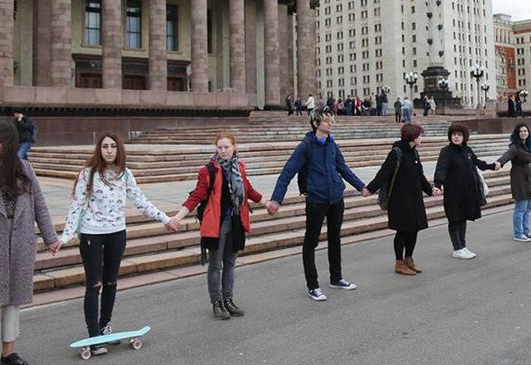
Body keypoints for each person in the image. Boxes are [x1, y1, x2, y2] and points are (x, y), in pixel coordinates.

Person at [59, 133, 175, 355]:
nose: (109, 150)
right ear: (99, 150)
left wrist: (165, 219)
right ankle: (94, 336)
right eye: (105, 146)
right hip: (92, 234)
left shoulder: (125, 174)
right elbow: (75, 206)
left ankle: (105, 326)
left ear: (118, 149)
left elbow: (141, 200)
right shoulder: (88, 174)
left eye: (113, 146)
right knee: (94, 284)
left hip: (117, 234)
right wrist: (65, 237)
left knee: (111, 282)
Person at [268, 108, 366, 301]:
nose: (331, 123)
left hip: (336, 198)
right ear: (315, 123)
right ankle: (313, 285)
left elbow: (343, 168)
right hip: (316, 200)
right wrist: (276, 199)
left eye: (331, 120)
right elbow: (287, 173)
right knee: (311, 242)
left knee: (335, 238)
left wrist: (361, 187)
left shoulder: (331, 143)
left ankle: (336, 278)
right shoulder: (305, 146)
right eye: (327, 120)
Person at [170, 132, 269, 320]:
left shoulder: (239, 167)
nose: (223, 151)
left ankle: (228, 300)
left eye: (226, 147)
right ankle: (216, 302)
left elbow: (247, 189)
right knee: (215, 265)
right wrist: (177, 217)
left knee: (230, 263)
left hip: (236, 221)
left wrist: (266, 202)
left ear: (234, 147)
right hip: (216, 223)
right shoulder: (208, 171)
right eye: (220, 147)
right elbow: (196, 196)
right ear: (216, 148)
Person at [0, 121, 59, 365]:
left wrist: (50, 237)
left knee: (12, 300)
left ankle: (8, 352)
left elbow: (40, 206)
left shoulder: (24, 168)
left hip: (20, 242)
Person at [365, 123, 441, 275]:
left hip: (414, 199)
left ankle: (409, 259)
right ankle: (399, 262)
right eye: (420, 135)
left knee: (414, 230)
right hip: (399, 200)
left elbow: (420, 176)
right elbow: (384, 172)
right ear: (413, 137)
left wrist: (430, 189)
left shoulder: (414, 153)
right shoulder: (396, 152)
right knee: (402, 231)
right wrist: (370, 188)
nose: (422, 138)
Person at [434, 123, 496, 259]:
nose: (456, 137)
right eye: (454, 134)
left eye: (459, 135)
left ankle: (462, 246)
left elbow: (478, 163)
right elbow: (441, 168)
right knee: (454, 219)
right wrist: (438, 184)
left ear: (464, 137)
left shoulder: (467, 150)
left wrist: (492, 166)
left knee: (463, 219)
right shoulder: (446, 151)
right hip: (453, 192)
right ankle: (457, 248)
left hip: (466, 192)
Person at [495, 123, 531, 242]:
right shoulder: (515, 147)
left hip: (529, 177)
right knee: (521, 207)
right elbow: (507, 155)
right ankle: (518, 233)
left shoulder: (528, 146)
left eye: (525, 131)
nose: (523, 133)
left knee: (529, 207)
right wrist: (500, 162)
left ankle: (526, 231)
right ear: (517, 133)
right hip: (519, 178)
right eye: (521, 131)